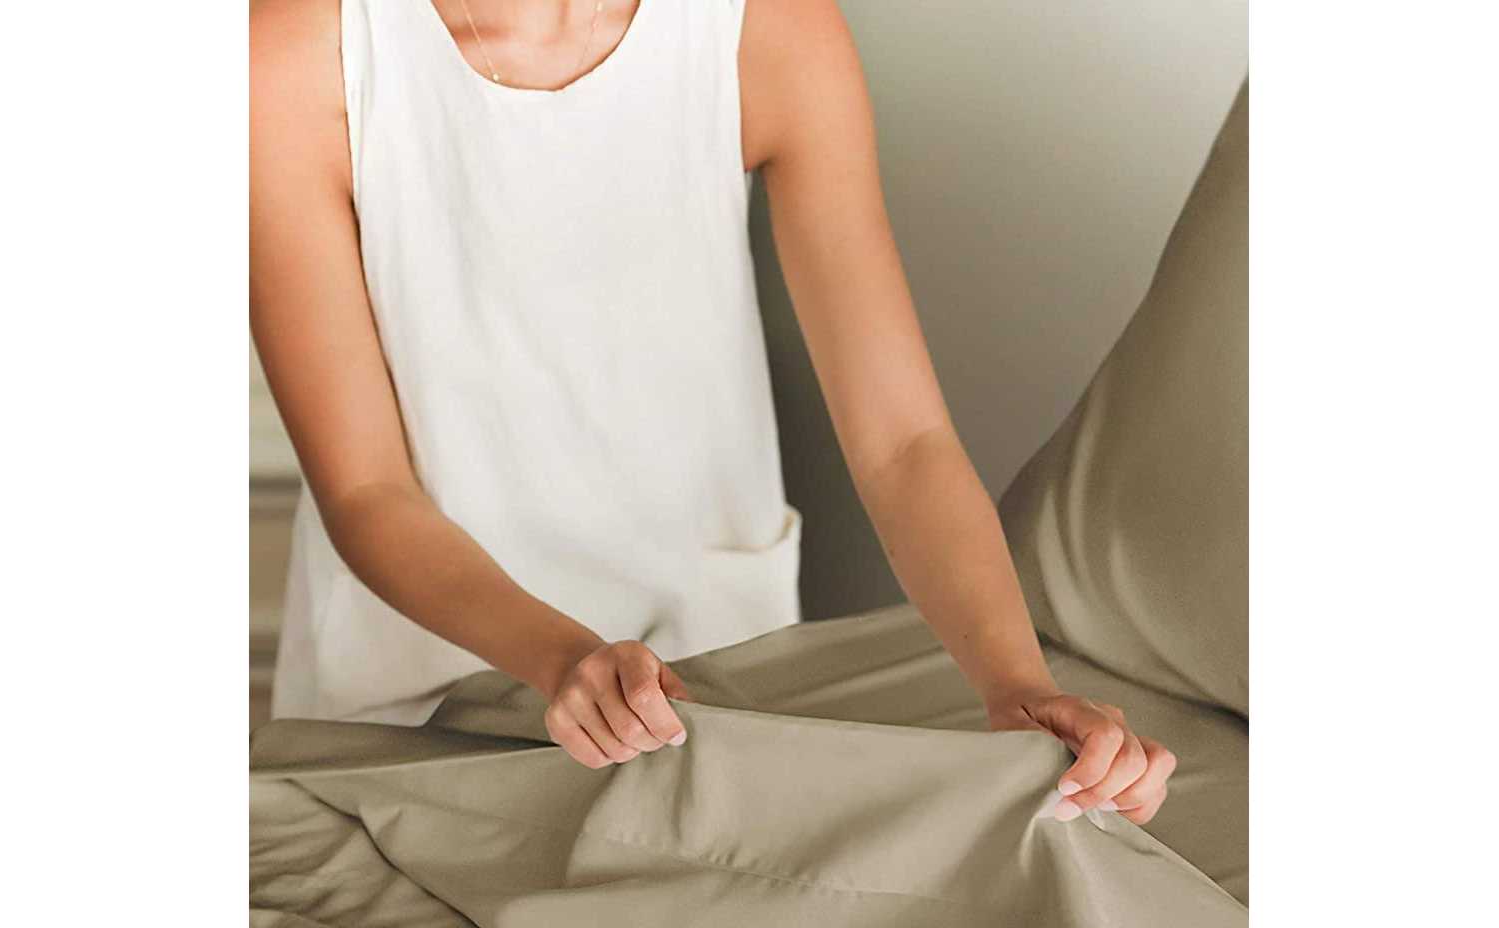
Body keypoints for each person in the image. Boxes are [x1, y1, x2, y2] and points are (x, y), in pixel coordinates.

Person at [249, 0, 1176, 825]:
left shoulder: (771, 29)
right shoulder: (292, 57)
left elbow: (904, 442)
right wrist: (565, 659)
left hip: (707, 679)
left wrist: (1015, 682)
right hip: (422, 685)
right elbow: (367, 491)